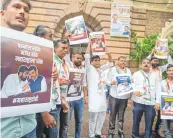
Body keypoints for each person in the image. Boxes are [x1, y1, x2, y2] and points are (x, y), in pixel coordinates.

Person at [1, 1, 58, 138]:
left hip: (29, 128)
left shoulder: (36, 49)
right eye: (16, 6)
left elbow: (36, 92)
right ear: (2, 13)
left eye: (26, 10)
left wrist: (50, 76)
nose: (22, 12)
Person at [33, 25, 69, 138]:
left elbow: (52, 84)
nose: (52, 39)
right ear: (40, 37)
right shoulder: (35, 56)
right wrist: (43, 112)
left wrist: (60, 100)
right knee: (38, 134)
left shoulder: (49, 57)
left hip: (53, 104)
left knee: (53, 134)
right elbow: (35, 86)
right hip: (40, 107)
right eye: (50, 36)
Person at [85, 41, 112, 138]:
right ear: (91, 62)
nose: (97, 62)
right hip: (93, 97)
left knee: (102, 116)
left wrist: (108, 53)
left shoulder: (101, 69)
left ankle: (98, 133)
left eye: (98, 60)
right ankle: (92, 135)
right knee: (93, 117)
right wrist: (89, 43)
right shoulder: (89, 69)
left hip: (102, 97)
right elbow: (87, 56)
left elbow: (110, 63)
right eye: (95, 60)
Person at [131, 58, 161, 138]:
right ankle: (135, 136)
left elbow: (158, 89)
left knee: (149, 123)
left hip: (150, 103)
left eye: (148, 63)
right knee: (136, 121)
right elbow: (131, 86)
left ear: (150, 65)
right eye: (144, 63)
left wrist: (158, 102)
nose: (146, 64)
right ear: (141, 65)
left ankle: (148, 136)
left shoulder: (155, 75)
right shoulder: (136, 74)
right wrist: (135, 91)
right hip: (138, 102)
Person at [147, 49, 173, 135]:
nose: (156, 61)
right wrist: (152, 52)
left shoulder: (160, 69)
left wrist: (168, 54)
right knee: (151, 114)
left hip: (160, 93)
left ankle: (156, 130)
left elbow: (170, 64)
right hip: (150, 93)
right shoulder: (148, 68)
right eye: (154, 59)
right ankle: (149, 131)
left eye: (157, 60)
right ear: (151, 61)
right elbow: (146, 60)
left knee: (160, 114)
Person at [107, 56, 132, 138]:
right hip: (114, 96)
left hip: (124, 97)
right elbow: (106, 80)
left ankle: (120, 131)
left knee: (121, 116)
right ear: (117, 61)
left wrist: (131, 82)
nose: (123, 62)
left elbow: (131, 81)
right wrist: (111, 82)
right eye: (121, 60)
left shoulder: (128, 70)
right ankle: (111, 132)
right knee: (113, 115)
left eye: (124, 61)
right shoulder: (112, 69)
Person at [67, 52, 87, 138]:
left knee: (79, 120)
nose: (79, 60)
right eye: (77, 58)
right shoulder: (68, 67)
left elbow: (84, 84)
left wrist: (85, 96)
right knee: (67, 121)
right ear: (72, 58)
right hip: (69, 99)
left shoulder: (83, 69)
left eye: (80, 58)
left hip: (79, 99)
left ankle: (77, 136)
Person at [161, 64, 173, 138]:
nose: (171, 72)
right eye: (169, 70)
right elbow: (159, 94)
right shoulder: (162, 82)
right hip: (165, 108)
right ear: (167, 72)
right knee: (166, 130)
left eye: (172, 70)